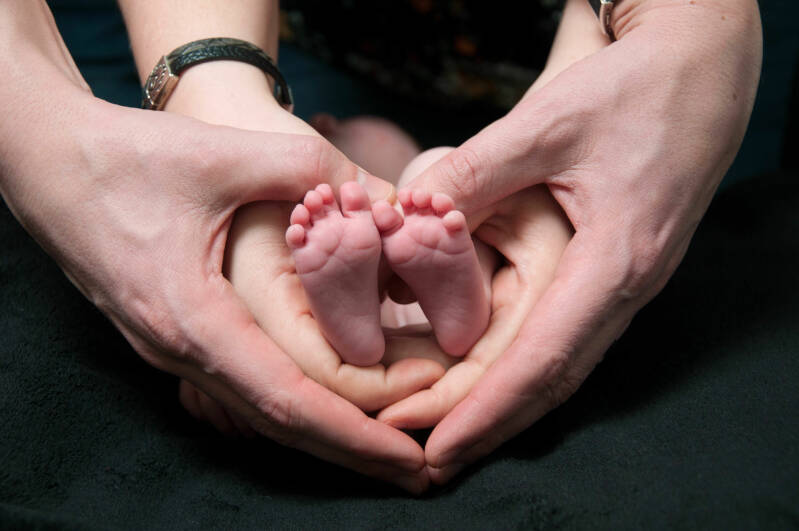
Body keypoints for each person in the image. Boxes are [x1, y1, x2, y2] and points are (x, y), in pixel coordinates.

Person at [0, 0, 762, 492]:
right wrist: (216, 98)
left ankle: (365, 305)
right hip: (281, 45)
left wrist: (677, 27)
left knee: (377, 184)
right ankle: (453, 293)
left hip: (601, 39)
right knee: (416, 180)